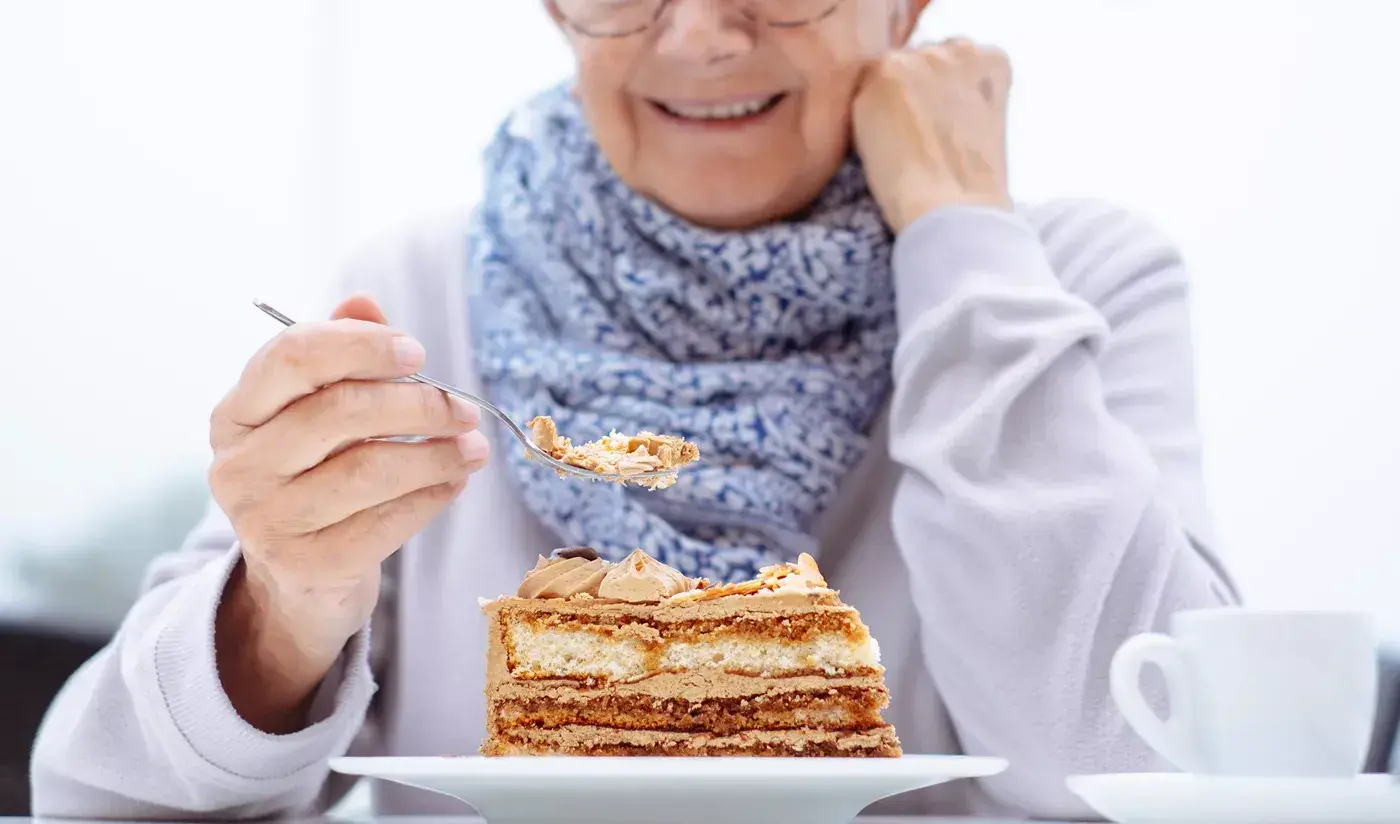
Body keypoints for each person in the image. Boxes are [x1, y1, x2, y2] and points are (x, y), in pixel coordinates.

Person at [31, 0, 1239, 819]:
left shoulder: (1061, 285)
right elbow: (102, 791)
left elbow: (1136, 758)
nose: (703, 36)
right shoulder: (420, 296)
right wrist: (286, 602)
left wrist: (961, 241)